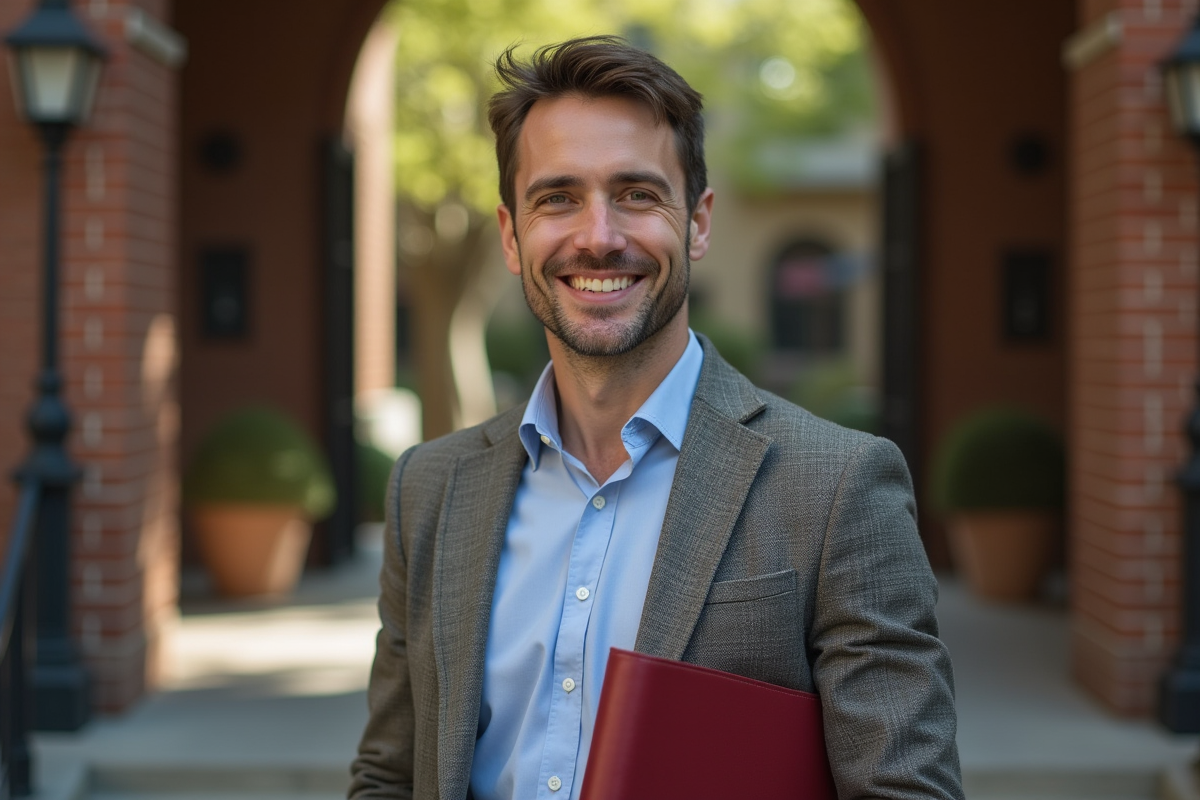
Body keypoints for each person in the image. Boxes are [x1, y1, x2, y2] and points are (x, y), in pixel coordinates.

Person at [349, 35, 962, 800]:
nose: (598, 237)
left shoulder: (837, 489)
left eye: (636, 194)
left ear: (697, 223)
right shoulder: (429, 490)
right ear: (511, 235)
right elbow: (389, 775)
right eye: (558, 198)